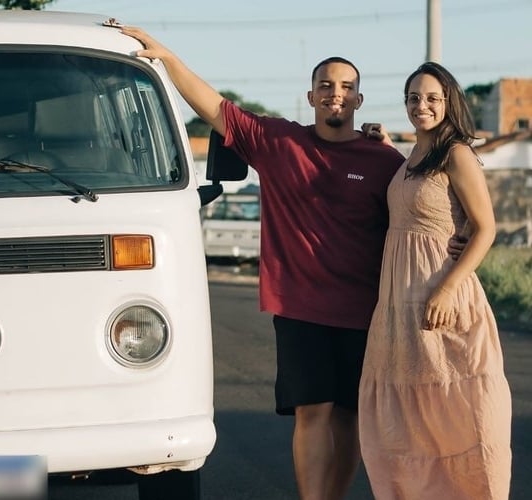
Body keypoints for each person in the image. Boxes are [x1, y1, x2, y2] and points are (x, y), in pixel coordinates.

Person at [120, 27, 405, 500]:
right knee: (312, 412)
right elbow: (214, 108)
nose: (336, 94)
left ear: (359, 100)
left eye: (347, 88)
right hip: (301, 308)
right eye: (327, 86)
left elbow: (419, 208)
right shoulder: (279, 141)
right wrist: (168, 58)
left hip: (365, 310)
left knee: (351, 416)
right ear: (311, 95)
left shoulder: (382, 158)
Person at [358, 62, 512, 499]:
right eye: (412, 97)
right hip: (398, 307)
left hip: (442, 299)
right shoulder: (412, 157)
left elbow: (485, 229)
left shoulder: (456, 153)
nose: (420, 105)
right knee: (411, 424)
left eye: (431, 98)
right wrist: (386, 144)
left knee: (459, 414)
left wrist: (445, 289)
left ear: (448, 103)